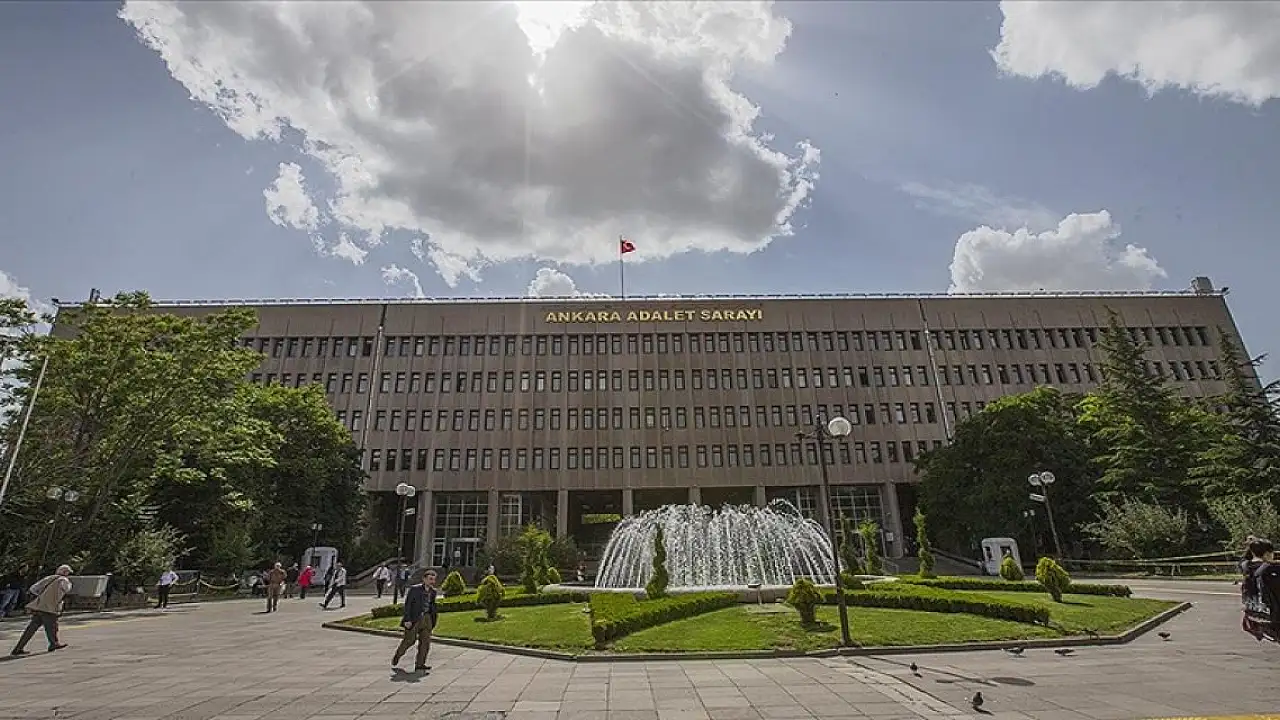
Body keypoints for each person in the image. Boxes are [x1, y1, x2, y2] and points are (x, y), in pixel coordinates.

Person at [9, 564, 73, 656]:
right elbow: (67, 590)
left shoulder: (49, 578)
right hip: (50, 607)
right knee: (52, 627)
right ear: (65, 572)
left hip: (39, 606)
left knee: (31, 629)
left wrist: (41, 596)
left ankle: (18, 648)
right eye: (68, 572)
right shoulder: (63, 580)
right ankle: (54, 644)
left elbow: (33, 589)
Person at [391, 569, 438, 672]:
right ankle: (398, 655)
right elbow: (408, 605)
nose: (432, 581)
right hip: (414, 618)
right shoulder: (415, 589)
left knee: (425, 643)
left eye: (433, 579)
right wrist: (407, 619)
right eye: (430, 579)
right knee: (409, 640)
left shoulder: (433, 591)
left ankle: (420, 664)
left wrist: (433, 619)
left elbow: (432, 606)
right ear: (424, 579)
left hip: (427, 618)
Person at [1241, 537, 1280, 641]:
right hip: (1274, 618)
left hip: (1256, 616)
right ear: (1267, 553)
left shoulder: (1245, 566)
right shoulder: (1272, 569)